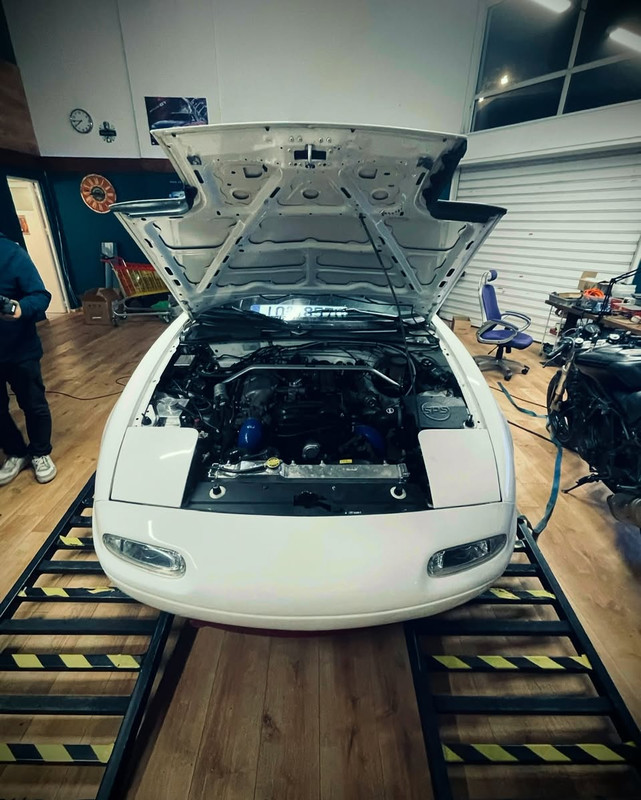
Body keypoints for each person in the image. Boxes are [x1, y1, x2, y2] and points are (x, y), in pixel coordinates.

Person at [0, 231, 56, 485]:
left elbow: (41, 295)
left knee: (33, 405)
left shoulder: (12, 253)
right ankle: (16, 452)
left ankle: (40, 452)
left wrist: (21, 309)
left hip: (20, 350)